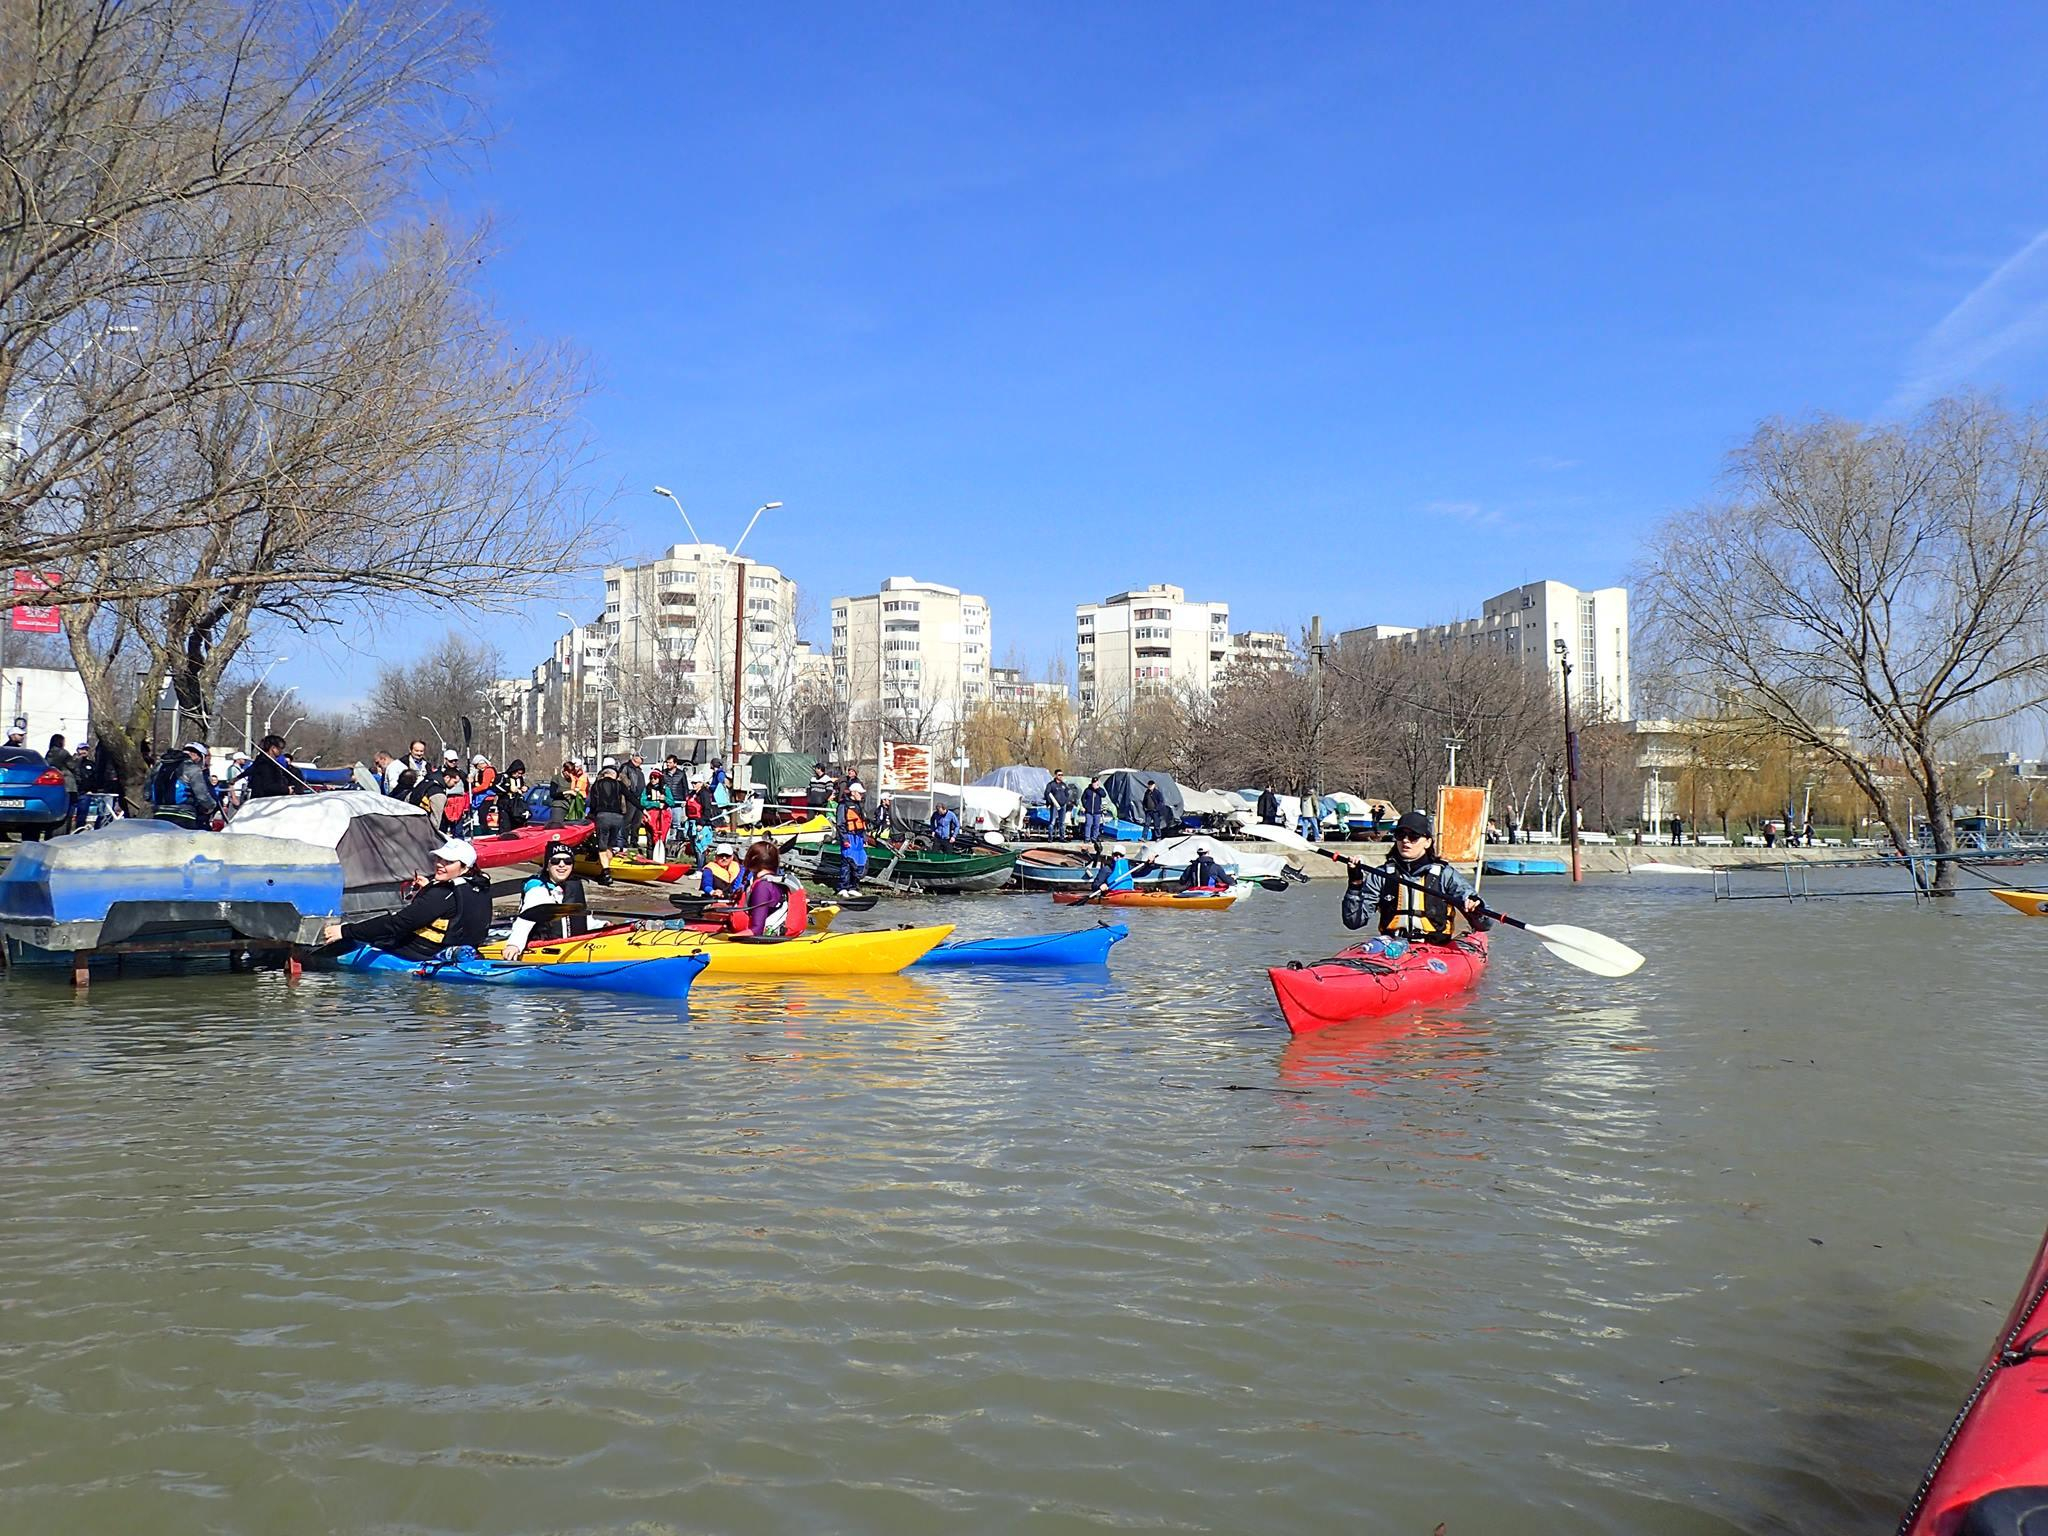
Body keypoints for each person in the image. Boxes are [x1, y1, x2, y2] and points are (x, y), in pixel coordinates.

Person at [322, 836, 491, 960]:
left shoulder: (441, 894)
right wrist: (428, 888)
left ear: (464, 867)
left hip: (425, 951)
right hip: (463, 946)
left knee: (379, 935)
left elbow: (396, 924)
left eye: (448, 862)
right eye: (439, 858)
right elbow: (453, 906)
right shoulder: (479, 885)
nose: (440, 864)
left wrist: (345, 931)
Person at [1341, 810, 1491, 940]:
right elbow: (1353, 922)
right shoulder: (1381, 875)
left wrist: (1475, 907)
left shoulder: (1445, 875)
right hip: (1393, 948)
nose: (1406, 841)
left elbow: (1485, 924)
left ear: (1427, 842)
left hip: (1435, 948)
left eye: (1413, 836)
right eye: (1400, 835)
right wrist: (1355, 883)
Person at [501, 839, 592, 959]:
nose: (562, 865)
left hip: (572, 948)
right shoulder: (538, 890)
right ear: (547, 866)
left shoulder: (573, 886)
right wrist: (514, 945)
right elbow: (525, 921)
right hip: (546, 950)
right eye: (555, 861)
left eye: (567, 861)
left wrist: (603, 925)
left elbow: (580, 919)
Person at [739, 840, 808, 936]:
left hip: (763, 939)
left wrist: (728, 939)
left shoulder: (762, 887)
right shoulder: (775, 881)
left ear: (753, 859)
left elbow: (756, 930)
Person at [148, 741, 218, 827]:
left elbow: (147, 794)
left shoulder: (159, 766)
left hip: (159, 814)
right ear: (199, 756)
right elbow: (202, 797)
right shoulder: (192, 768)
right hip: (184, 816)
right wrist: (211, 806)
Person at [586, 762, 631, 882]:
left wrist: (592, 814)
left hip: (604, 816)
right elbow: (629, 797)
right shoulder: (620, 784)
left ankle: (606, 873)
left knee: (602, 846)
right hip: (618, 816)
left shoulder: (598, 785)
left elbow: (593, 803)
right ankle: (603, 871)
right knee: (610, 845)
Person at [244, 733, 305, 798]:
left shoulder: (269, 763)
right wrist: (286, 790)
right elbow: (268, 786)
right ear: (273, 748)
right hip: (264, 801)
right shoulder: (264, 764)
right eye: (280, 748)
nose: (281, 751)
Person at [834, 781, 869, 895]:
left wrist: (864, 838)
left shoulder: (859, 805)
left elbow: (862, 823)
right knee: (847, 861)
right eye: (860, 793)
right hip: (849, 836)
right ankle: (843, 887)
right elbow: (840, 824)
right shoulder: (843, 805)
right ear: (853, 793)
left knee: (859, 861)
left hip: (858, 837)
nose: (861, 795)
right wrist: (845, 839)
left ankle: (853, 887)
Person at [642, 769, 675, 859]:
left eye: (655, 778)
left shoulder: (666, 789)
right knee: (650, 840)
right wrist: (656, 804)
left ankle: (661, 859)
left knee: (661, 838)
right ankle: (650, 860)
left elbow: (672, 803)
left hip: (662, 817)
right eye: (651, 778)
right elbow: (642, 802)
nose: (653, 780)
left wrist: (665, 799)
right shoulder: (647, 789)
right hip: (650, 817)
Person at [1045, 770, 1073, 840]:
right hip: (1054, 805)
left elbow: (1067, 793)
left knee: (1062, 823)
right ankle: (1050, 837)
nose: (1061, 776)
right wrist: (1049, 802)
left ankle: (1062, 837)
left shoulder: (1063, 785)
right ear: (1055, 775)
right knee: (1052, 822)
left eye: (1062, 775)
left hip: (1063, 805)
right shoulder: (1051, 784)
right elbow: (1047, 793)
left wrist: (1066, 800)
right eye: (1059, 775)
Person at [1080, 775, 1107, 843]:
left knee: (1096, 825)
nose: (1094, 784)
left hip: (1097, 811)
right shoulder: (1087, 790)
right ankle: (1087, 838)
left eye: (1096, 782)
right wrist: (1085, 806)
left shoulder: (1100, 790)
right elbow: (1083, 798)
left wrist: (1097, 789)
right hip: (1089, 811)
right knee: (1088, 824)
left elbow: (1103, 795)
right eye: (1093, 783)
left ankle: (1094, 837)